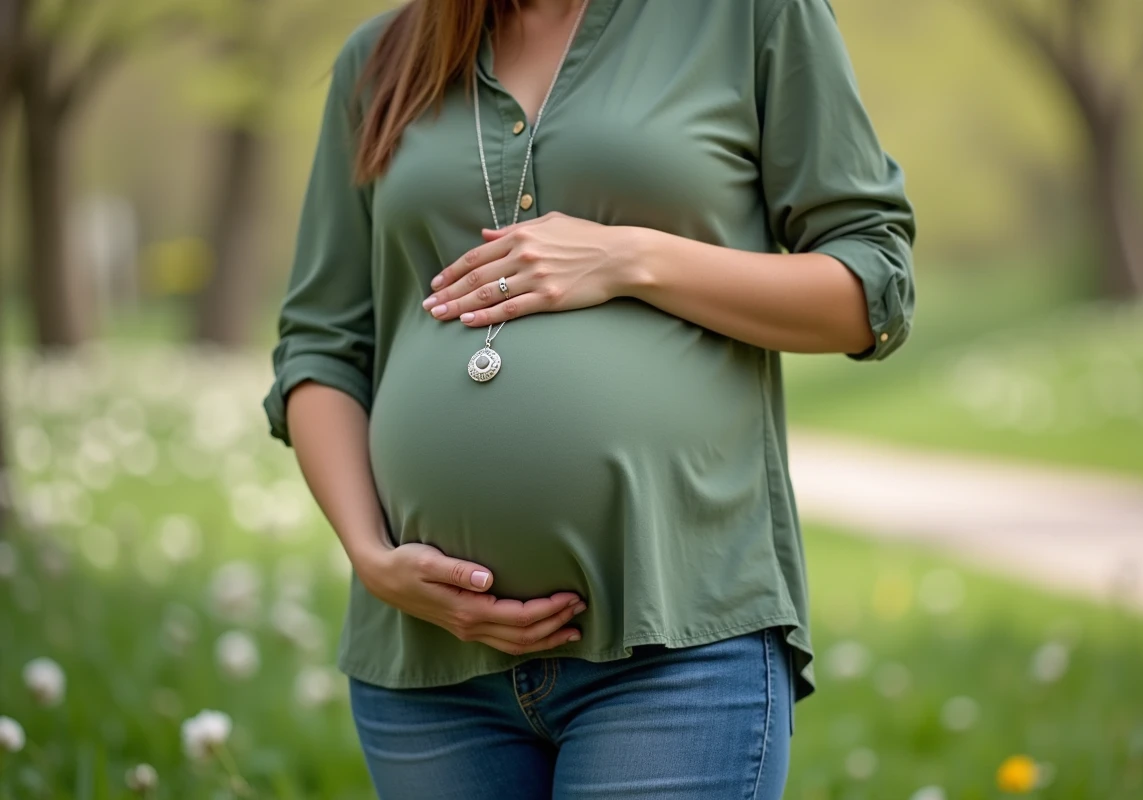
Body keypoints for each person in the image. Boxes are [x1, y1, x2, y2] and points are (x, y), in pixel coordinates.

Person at [263, 0, 915, 797]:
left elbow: (870, 287)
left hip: (677, 648)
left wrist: (629, 256)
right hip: (430, 671)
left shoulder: (748, 17)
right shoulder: (381, 58)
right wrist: (370, 558)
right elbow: (323, 344)